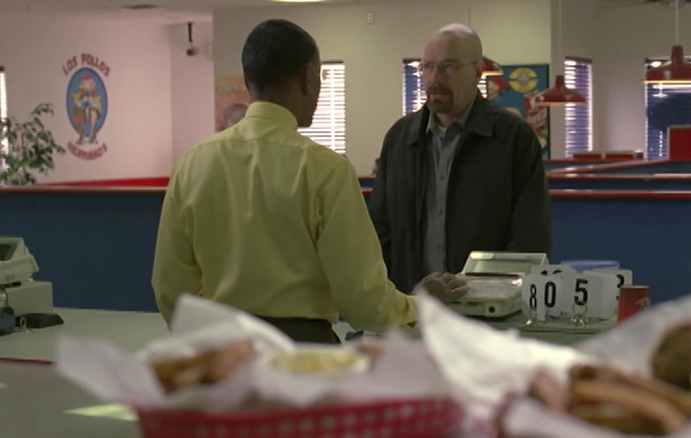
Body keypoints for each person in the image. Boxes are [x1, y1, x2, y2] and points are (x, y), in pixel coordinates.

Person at [151, 19, 468, 344]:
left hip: (220, 354)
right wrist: (420, 307)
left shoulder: (192, 165)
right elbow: (363, 301)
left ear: (249, 80)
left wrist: (211, 350)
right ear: (307, 78)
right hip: (303, 355)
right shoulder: (325, 171)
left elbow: (169, 288)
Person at [370, 23, 552, 294]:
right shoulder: (399, 139)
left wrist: (498, 296)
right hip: (412, 309)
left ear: (477, 71)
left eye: (449, 67)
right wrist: (395, 298)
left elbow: (529, 237)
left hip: (487, 312)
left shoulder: (512, 138)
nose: (435, 79)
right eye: (427, 67)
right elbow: (380, 232)